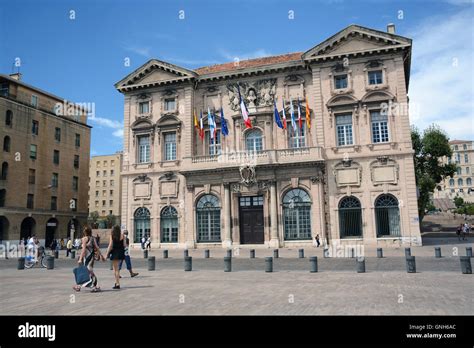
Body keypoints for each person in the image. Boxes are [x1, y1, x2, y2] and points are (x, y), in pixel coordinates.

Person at [73, 226, 105, 292]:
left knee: (89, 271)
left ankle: (95, 286)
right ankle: (79, 286)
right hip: (91, 257)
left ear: (84, 232)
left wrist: (80, 258)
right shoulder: (93, 238)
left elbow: (83, 249)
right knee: (86, 271)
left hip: (87, 257)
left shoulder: (84, 239)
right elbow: (97, 247)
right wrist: (102, 256)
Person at [105, 225, 126, 289]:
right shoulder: (123, 236)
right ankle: (117, 282)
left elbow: (110, 245)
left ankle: (117, 283)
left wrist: (106, 254)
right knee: (117, 269)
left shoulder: (112, 236)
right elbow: (124, 245)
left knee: (115, 269)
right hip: (121, 252)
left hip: (115, 253)